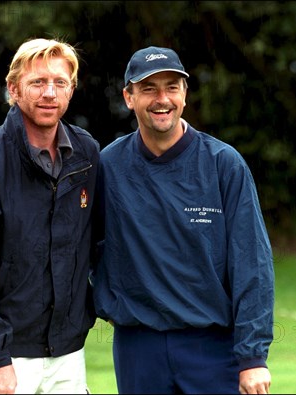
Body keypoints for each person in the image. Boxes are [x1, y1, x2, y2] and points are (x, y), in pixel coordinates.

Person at [91, 46, 275, 394]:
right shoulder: (108, 166)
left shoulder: (224, 164)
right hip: (137, 348)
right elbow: (81, 248)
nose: (163, 99)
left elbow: (252, 263)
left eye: (172, 87)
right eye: (149, 89)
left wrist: (253, 357)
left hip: (212, 348)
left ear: (185, 95)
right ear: (128, 98)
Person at [0, 38, 100, 394]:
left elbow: (99, 244)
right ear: (13, 89)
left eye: (60, 83)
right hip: (3, 359)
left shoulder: (86, 154)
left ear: (71, 90)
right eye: (37, 83)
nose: (49, 93)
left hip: (68, 354)